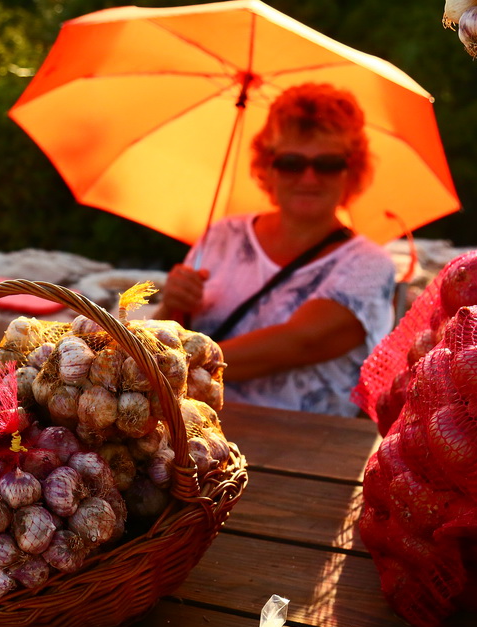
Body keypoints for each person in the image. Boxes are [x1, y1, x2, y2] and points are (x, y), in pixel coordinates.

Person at [154, 83, 397, 417]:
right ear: (267, 166)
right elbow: (168, 335)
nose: (309, 178)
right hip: (195, 427)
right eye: (291, 162)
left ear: (351, 171)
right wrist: (171, 304)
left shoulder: (370, 264)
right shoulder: (223, 234)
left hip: (303, 443)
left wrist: (174, 369)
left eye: (327, 163)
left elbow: (301, 342)